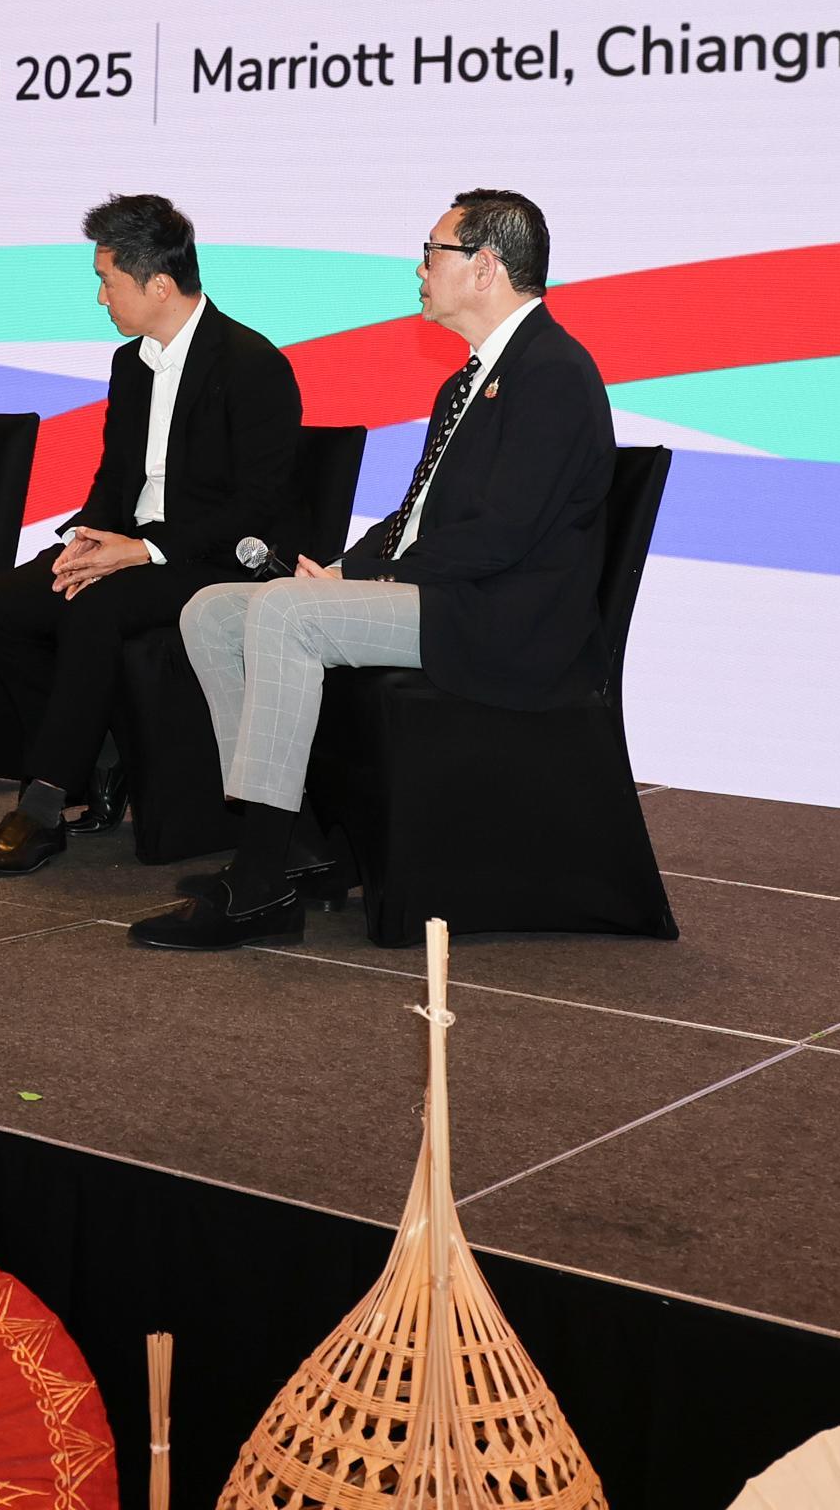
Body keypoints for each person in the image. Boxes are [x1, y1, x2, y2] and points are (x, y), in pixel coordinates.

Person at [136, 188, 615, 951]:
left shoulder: (552, 371)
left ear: (485, 267)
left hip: (498, 616)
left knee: (285, 612)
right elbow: (413, 515)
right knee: (213, 611)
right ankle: (297, 846)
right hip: (448, 592)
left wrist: (378, 581)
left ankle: (258, 881)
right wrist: (341, 568)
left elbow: (503, 534)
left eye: (432, 252)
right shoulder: (468, 378)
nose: (420, 269)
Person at [0, 194, 302, 875]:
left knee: (97, 606)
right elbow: (116, 476)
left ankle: (42, 806)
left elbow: (257, 508)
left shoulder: (251, 363)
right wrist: (89, 537)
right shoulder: (130, 362)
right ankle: (99, 758)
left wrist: (143, 550)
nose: (100, 298)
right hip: (135, 545)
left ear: (160, 285)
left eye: (107, 281)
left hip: (214, 558)